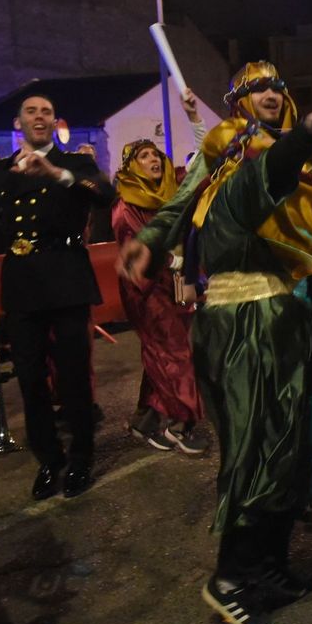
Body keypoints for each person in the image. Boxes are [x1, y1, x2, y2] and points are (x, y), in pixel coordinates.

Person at [117, 62, 312, 624]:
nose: (270, 94)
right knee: (252, 454)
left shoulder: (303, 171)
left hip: (285, 315)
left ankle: (268, 567)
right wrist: (150, 240)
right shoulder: (236, 163)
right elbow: (217, 187)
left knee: (285, 452)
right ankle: (230, 579)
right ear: (240, 104)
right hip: (240, 323)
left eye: (276, 87)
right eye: (256, 89)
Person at [0, 94, 115, 501]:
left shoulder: (75, 163)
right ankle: (49, 458)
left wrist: (55, 172)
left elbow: (103, 194)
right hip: (22, 280)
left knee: (73, 375)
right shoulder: (4, 170)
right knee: (28, 377)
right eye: (31, 112)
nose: (39, 117)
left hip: (65, 275)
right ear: (18, 122)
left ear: (54, 121)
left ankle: (80, 456)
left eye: (46, 112)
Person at [111, 137, 205, 454]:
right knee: (175, 353)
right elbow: (139, 255)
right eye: (143, 156)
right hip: (146, 291)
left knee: (160, 354)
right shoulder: (125, 208)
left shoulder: (169, 197)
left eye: (155, 155)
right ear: (130, 166)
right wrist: (170, 258)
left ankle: (144, 420)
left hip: (174, 285)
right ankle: (182, 423)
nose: (153, 160)